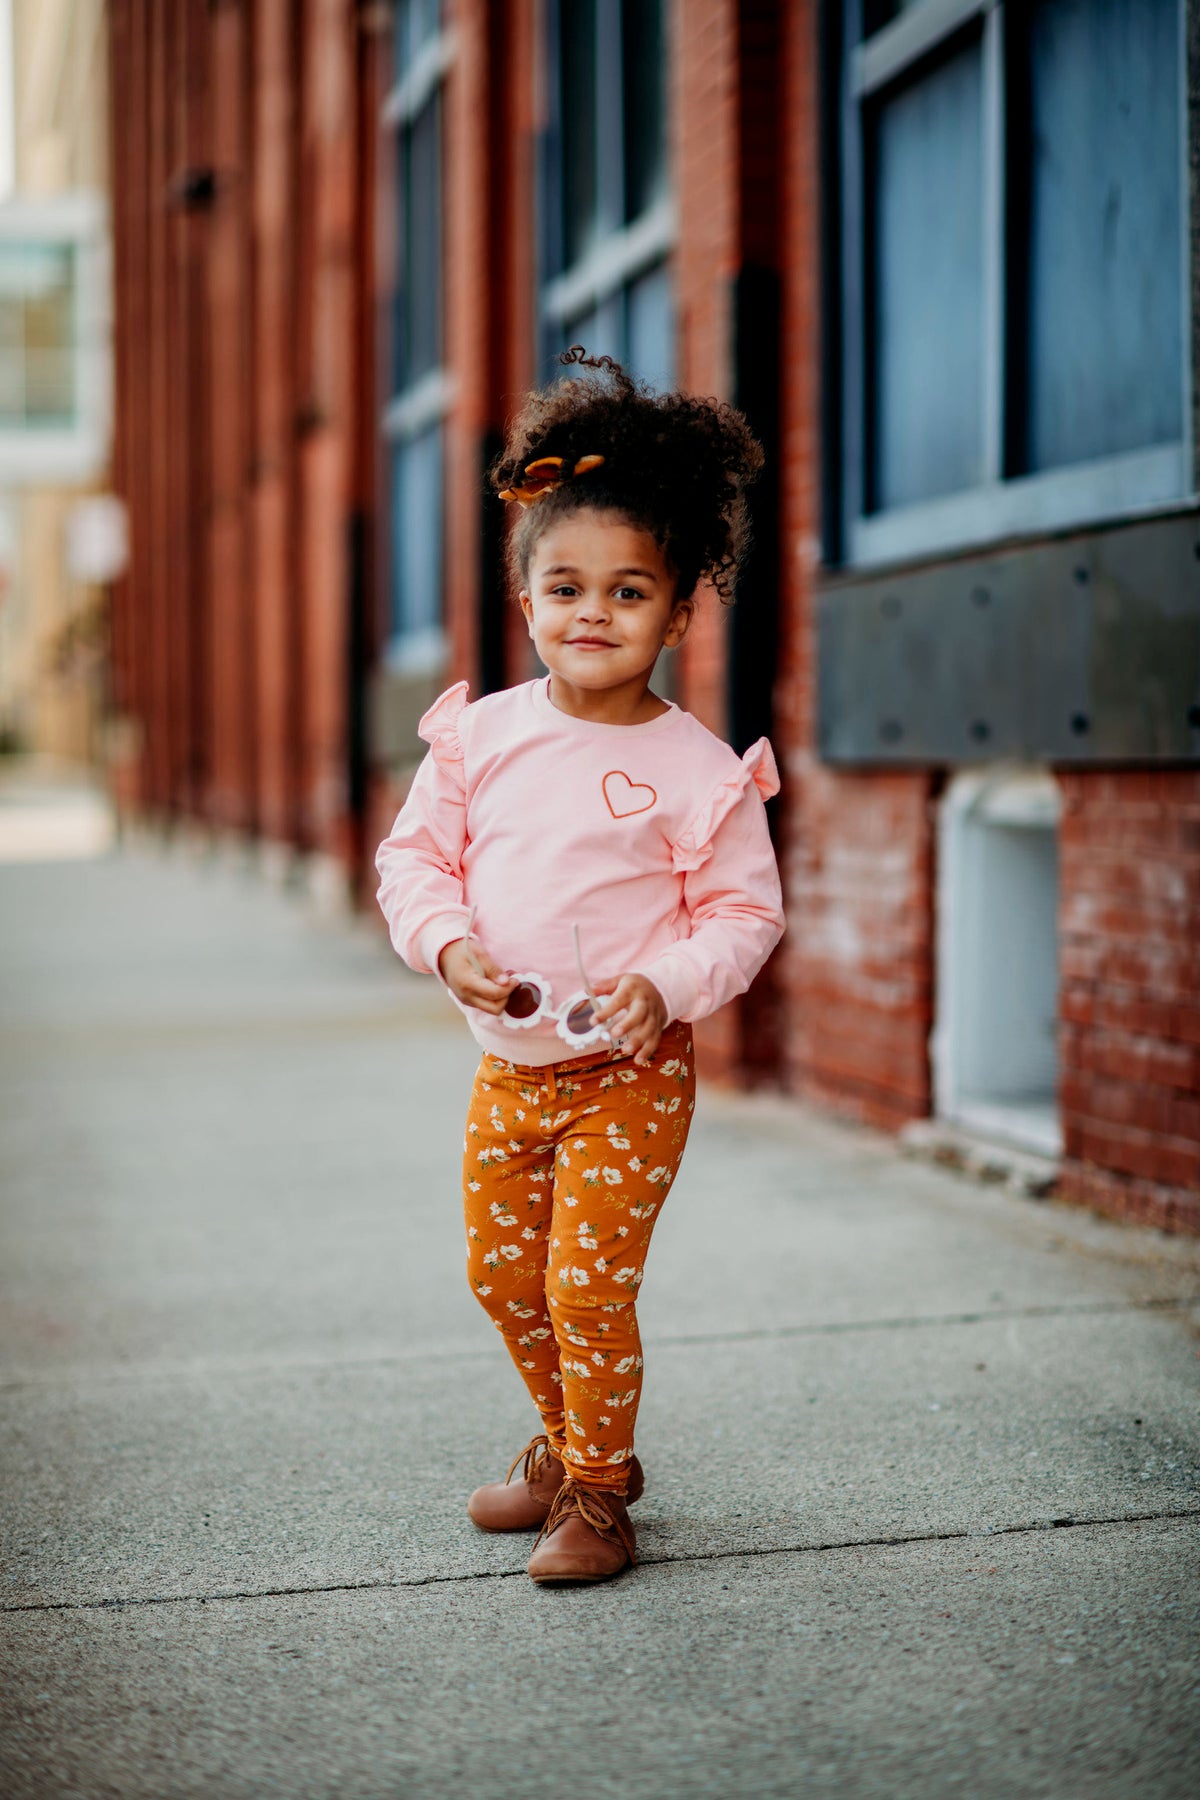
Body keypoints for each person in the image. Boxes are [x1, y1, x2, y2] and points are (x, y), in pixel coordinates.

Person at [375, 347, 785, 1585]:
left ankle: (600, 1495)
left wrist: (666, 984)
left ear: (676, 607)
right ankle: (566, 1446)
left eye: (627, 591)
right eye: (564, 587)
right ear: (524, 597)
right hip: (511, 1070)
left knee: (585, 1287)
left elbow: (742, 916)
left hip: (631, 1070)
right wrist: (448, 950)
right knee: (503, 1279)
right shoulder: (478, 738)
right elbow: (413, 867)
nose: (591, 613)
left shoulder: (700, 770)